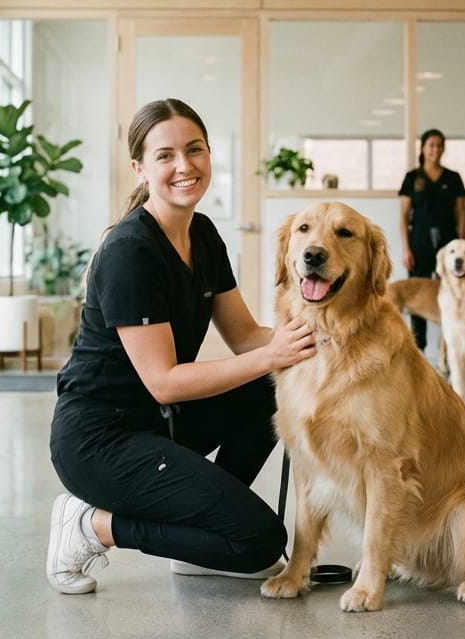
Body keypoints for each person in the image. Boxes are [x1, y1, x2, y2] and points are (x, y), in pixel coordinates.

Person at [46, 98, 317, 595]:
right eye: (165, 155)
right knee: (259, 542)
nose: (184, 166)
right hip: (100, 441)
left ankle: (203, 537)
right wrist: (272, 354)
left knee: (266, 386)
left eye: (195, 150)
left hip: (158, 425)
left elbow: (245, 338)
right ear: (140, 168)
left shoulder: (203, 234)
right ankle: (89, 525)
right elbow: (165, 383)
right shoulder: (130, 252)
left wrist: (309, 339)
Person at [397, 128, 465, 352]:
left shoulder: (453, 178)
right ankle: (419, 349)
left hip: (448, 244)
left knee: (452, 291)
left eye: (439, 145)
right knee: (417, 294)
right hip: (419, 243)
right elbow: (403, 215)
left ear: (443, 148)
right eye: (431, 145)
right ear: (423, 149)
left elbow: (461, 214)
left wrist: (462, 247)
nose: (435, 149)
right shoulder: (412, 177)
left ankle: (449, 349)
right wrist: (406, 249)